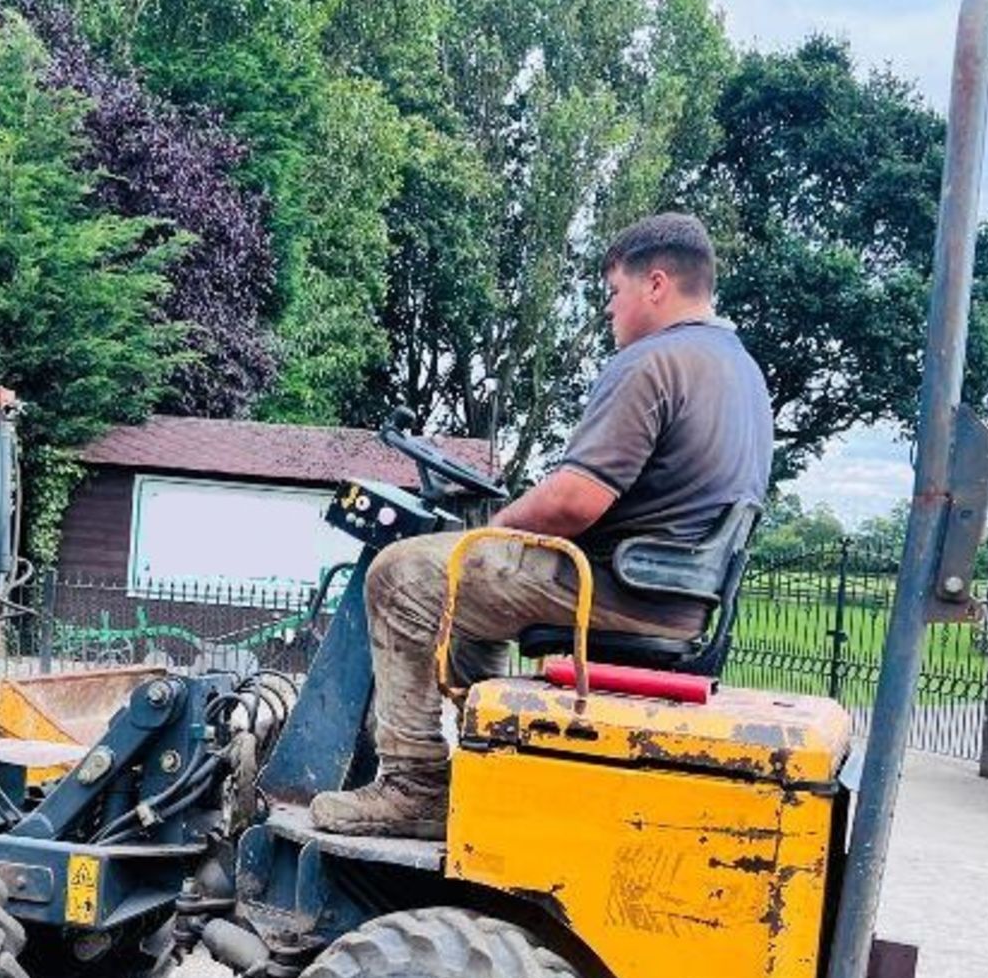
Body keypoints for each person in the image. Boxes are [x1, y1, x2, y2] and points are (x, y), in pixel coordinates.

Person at [310, 212, 774, 840]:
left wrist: (496, 529)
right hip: (671, 597)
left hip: (615, 590)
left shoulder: (653, 362)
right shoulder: (740, 372)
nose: (610, 312)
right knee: (467, 594)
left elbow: (574, 501)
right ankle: (494, 766)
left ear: (656, 284)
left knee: (403, 574)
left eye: (613, 294)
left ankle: (414, 784)